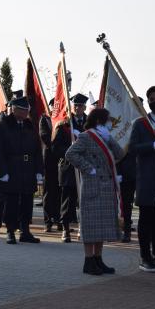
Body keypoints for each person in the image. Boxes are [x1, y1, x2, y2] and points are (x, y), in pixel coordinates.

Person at [65, 108, 125, 275]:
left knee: (101, 227)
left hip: (106, 187)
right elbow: (70, 154)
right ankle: (88, 261)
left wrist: (110, 139)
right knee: (91, 226)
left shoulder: (105, 137)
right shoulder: (86, 136)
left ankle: (98, 259)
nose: (110, 123)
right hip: (93, 185)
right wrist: (88, 168)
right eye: (107, 120)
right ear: (99, 121)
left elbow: (120, 153)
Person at [0, 96, 43, 244]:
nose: (26, 113)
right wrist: (2, 171)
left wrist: (39, 170)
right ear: (14, 110)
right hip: (11, 169)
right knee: (11, 203)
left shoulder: (30, 126)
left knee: (27, 201)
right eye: (23, 110)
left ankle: (25, 231)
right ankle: (10, 231)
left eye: (27, 110)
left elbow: (38, 150)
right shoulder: (3, 126)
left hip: (28, 169)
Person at [129, 86, 155, 271]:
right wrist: (153, 145)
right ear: (147, 101)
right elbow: (132, 148)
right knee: (146, 220)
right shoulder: (141, 123)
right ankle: (145, 256)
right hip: (147, 178)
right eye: (152, 98)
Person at [52, 93, 88, 242]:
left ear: (85, 107)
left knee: (85, 200)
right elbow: (55, 148)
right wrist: (70, 148)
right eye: (75, 105)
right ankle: (65, 229)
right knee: (67, 200)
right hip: (68, 167)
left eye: (80, 105)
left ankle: (83, 227)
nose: (78, 108)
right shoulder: (64, 124)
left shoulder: (90, 123)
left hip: (85, 167)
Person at [40, 98, 62, 232]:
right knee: (48, 191)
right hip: (49, 160)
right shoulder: (45, 119)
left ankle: (60, 219)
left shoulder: (63, 119)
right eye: (53, 106)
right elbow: (44, 136)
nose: (55, 108)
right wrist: (56, 145)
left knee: (60, 191)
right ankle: (48, 221)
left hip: (61, 160)